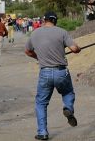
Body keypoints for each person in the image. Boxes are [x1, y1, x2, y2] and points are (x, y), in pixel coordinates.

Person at [25, 11, 81, 140]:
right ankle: (68, 108)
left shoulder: (35, 33)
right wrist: (79, 48)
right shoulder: (62, 32)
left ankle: (43, 132)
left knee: (41, 103)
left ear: (44, 20)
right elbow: (74, 49)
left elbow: (27, 51)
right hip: (61, 71)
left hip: (45, 72)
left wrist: (38, 57)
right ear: (55, 21)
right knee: (68, 93)